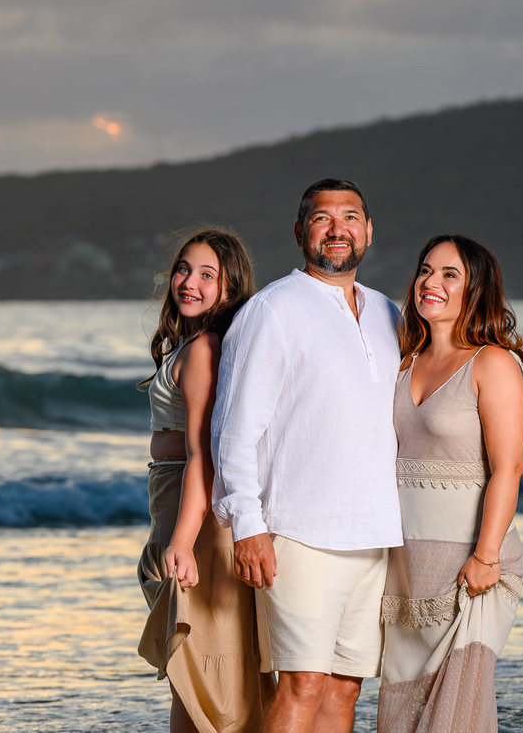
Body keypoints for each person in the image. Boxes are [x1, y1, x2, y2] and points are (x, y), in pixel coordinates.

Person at [211, 178, 402, 732]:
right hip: (298, 532)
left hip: (374, 534)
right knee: (303, 683)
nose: (337, 229)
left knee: (345, 689)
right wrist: (247, 524)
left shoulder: (388, 313)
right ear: (300, 232)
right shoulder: (272, 310)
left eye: (350, 217)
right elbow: (233, 429)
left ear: (368, 231)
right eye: (322, 218)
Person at [378, 234, 523, 733]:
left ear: (475, 290)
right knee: (404, 709)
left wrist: (486, 556)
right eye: (425, 270)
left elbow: (508, 468)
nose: (431, 282)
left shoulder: (492, 363)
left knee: (455, 715)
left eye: (449, 274)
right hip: (404, 569)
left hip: (473, 566)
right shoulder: (400, 362)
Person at [136, 228, 274, 733]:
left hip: (189, 509)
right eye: (183, 269)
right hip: (174, 498)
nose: (189, 282)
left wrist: (183, 540)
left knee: (195, 663)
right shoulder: (191, 344)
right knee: (192, 665)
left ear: (230, 287)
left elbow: (204, 455)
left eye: (207, 275)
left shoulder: (203, 350)